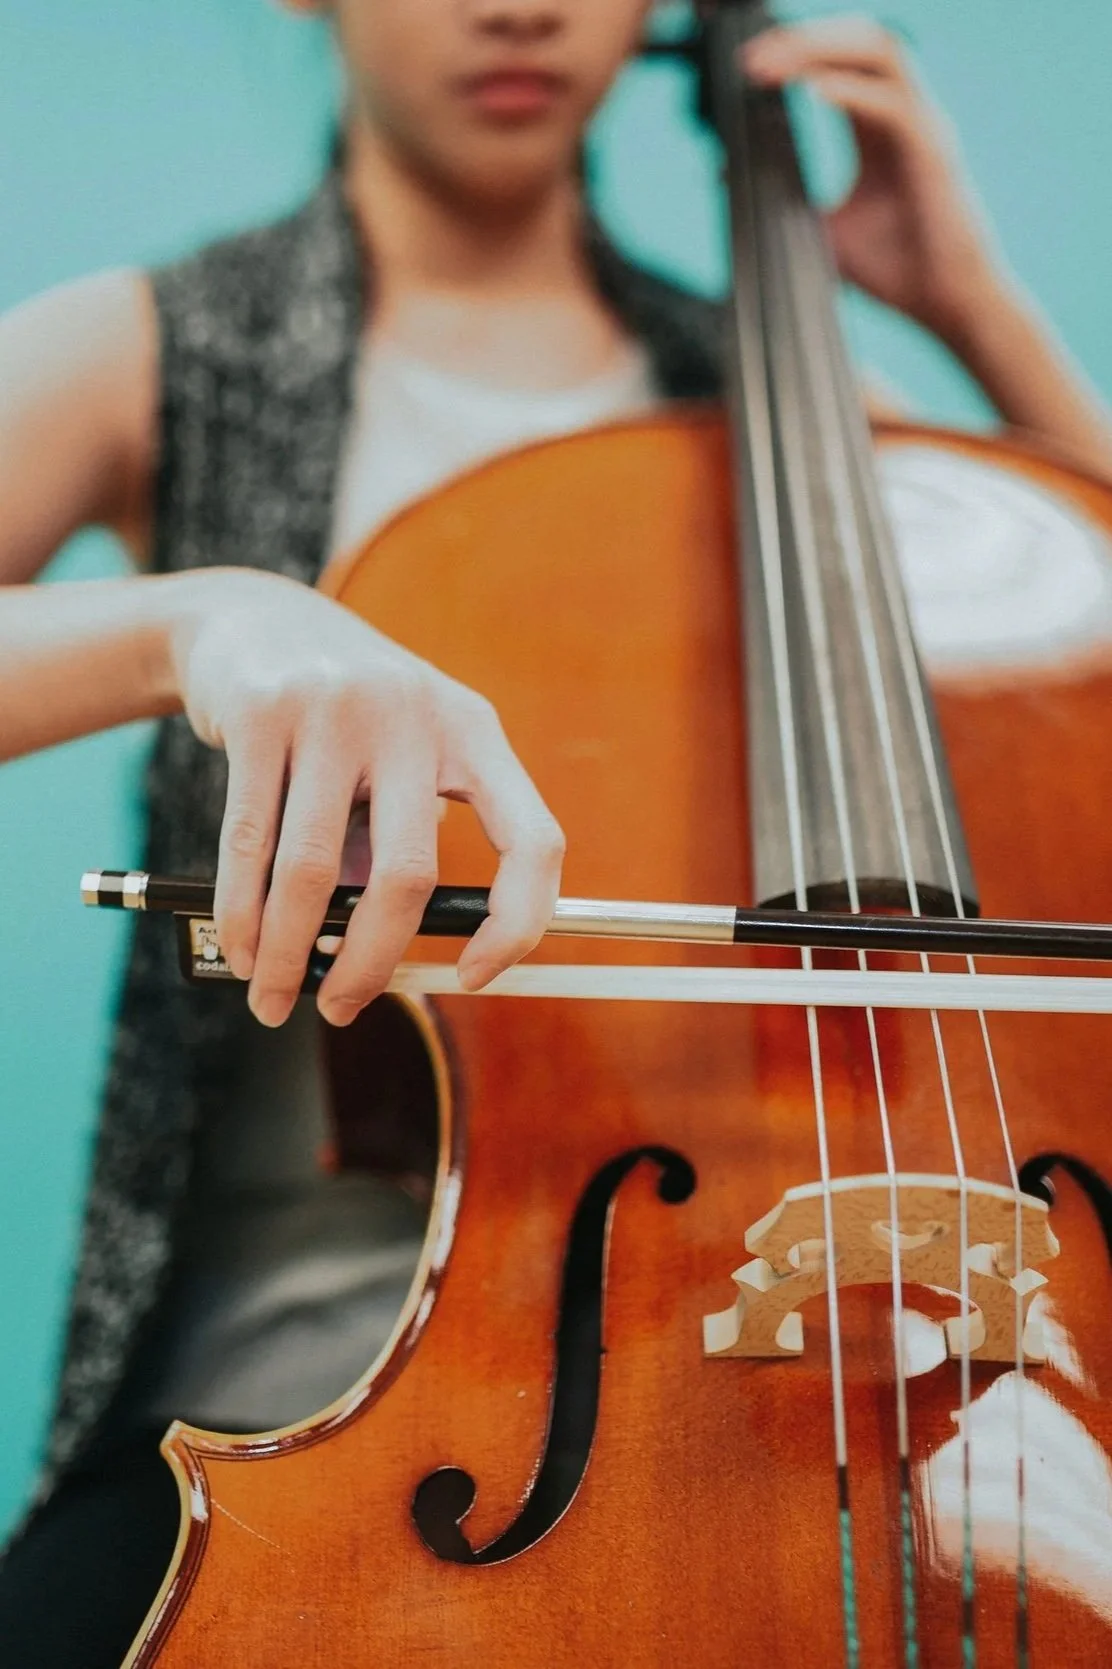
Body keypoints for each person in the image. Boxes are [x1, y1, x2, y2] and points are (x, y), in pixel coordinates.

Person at [1, 4, 1110, 1664]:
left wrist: (980, 314)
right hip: (317, 1384)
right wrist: (196, 622)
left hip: (861, 1372)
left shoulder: (794, 406)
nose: (519, 5)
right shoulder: (166, 346)